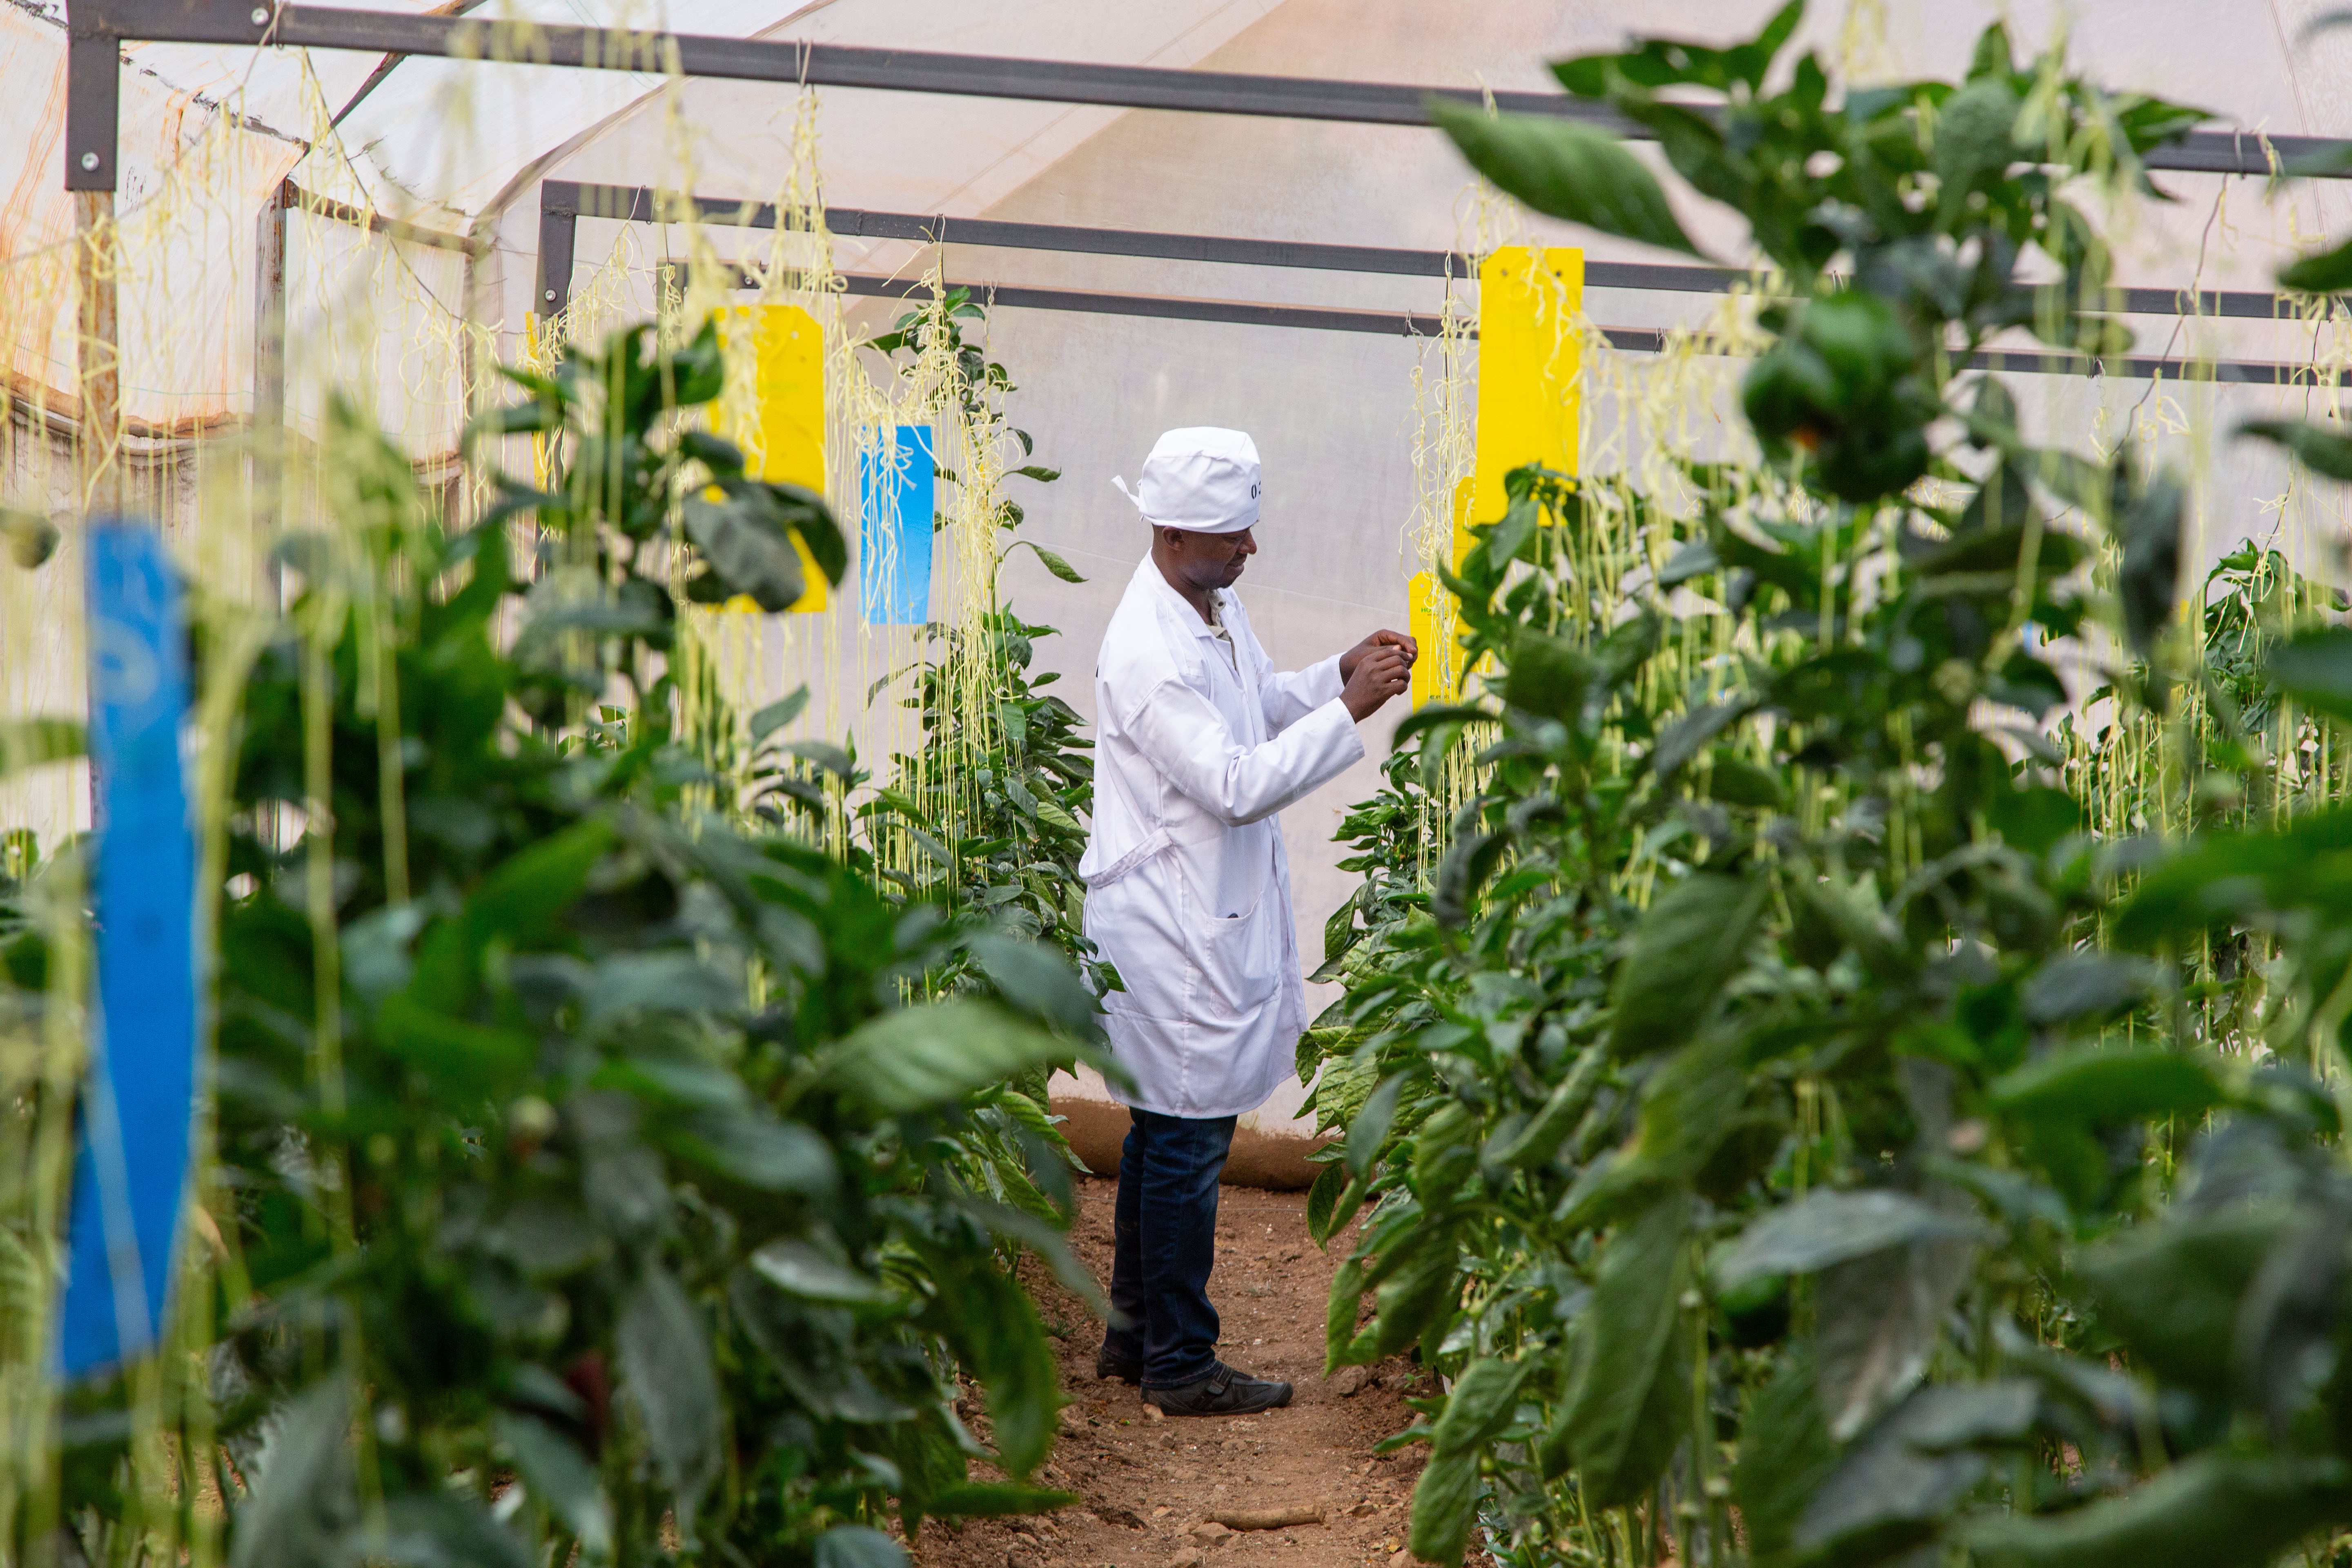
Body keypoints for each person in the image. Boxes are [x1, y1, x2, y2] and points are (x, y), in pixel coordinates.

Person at [1081, 427, 1414, 1417]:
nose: (1252, 550)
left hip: (1192, 915)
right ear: (1175, 531)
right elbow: (1230, 783)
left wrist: (1330, 678)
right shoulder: (1150, 649)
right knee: (1185, 1145)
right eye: (1235, 536)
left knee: (1159, 1135)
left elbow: (1258, 704)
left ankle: (1134, 1342)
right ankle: (1181, 1364)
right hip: (1171, 933)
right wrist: (1348, 713)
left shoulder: (1206, 604)